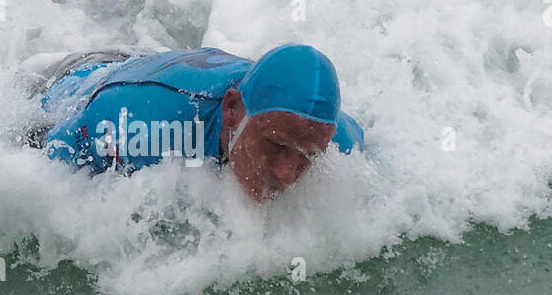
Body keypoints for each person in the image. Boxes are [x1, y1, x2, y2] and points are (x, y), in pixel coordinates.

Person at [27, 44, 365, 202]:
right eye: (276, 145)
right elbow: (48, 160)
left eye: (308, 156)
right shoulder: (137, 125)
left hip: (174, 67)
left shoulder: (340, 142)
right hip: (82, 78)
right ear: (232, 110)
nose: (286, 174)